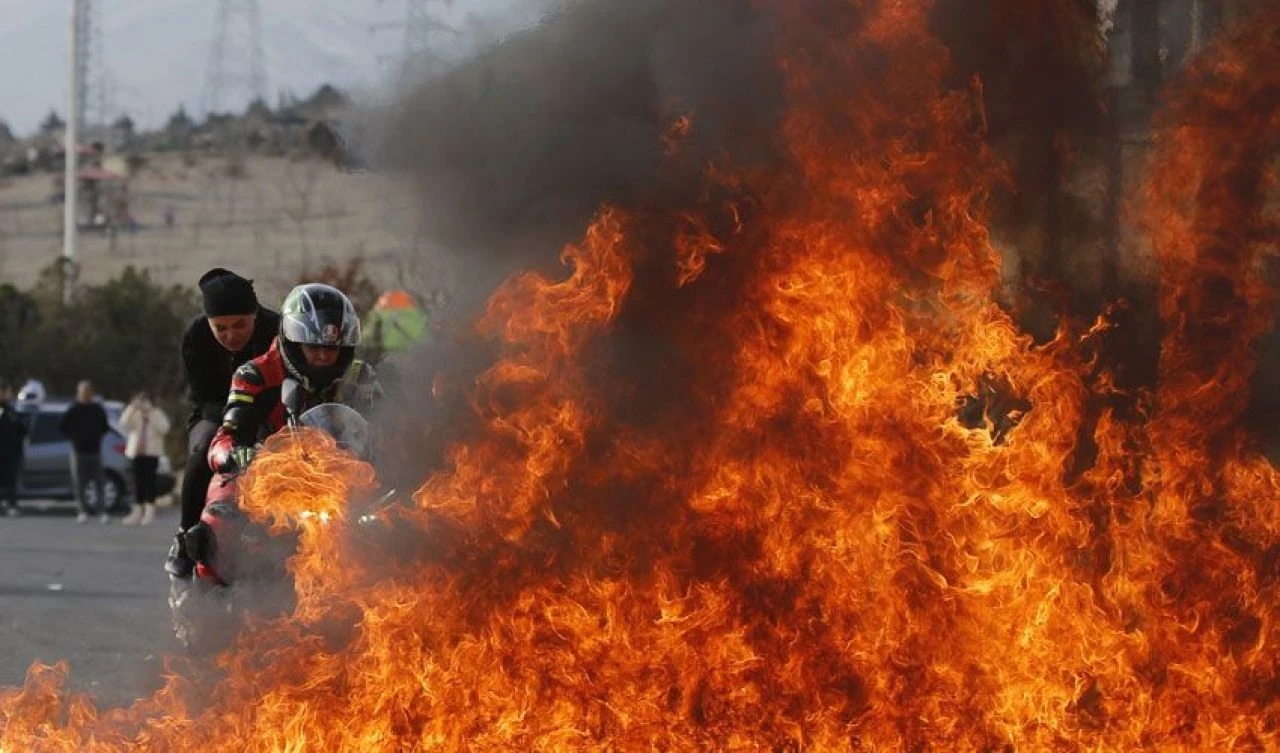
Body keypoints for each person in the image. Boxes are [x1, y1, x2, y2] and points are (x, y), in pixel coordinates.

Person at [167, 269, 280, 576]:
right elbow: (203, 396)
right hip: (214, 414)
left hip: (271, 414)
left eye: (240, 324)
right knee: (202, 448)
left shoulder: (279, 330)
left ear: (255, 315)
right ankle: (185, 534)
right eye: (222, 328)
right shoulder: (195, 336)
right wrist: (234, 426)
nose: (232, 335)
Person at [208, 283, 379, 475]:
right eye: (313, 347)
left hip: (344, 478)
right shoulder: (255, 376)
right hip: (269, 478)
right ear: (294, 344)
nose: (323, 356)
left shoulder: (360, 376)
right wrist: (233, 454)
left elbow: (389, 431)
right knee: (221, 495)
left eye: (332, 348)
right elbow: (226, 438)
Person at [59, 380, 111, 524]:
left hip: (95, 451)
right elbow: (62, 427)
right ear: (78, 393)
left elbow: (105, 427)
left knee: (99, 482)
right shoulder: (73, 409)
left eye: (88, 391)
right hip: (78, 451)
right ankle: (82, 511)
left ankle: (102, 512)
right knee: (79, 483)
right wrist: (75, 437)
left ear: (92, 393)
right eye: (83, 391)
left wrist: (96, 436)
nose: (85, 394)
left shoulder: (97, 409)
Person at [119, 392, 170, 526]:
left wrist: (151, 415)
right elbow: (124, 424)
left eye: (146, 401)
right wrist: (132, 408)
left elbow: (164, 428)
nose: (143, 404)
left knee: (149, 482)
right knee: (137, 482)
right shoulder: (135, 413)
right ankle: (137, 511)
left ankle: (149, 512)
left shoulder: (157, 413)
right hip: (136, 453)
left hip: (151, 453)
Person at [0, 382, 27, 517]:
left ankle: (11, 505)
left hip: (11, 452)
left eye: (7, 392)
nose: (6, 395)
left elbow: (22, 429)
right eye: (4, 392)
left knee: (11, 479)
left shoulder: (13, 410)